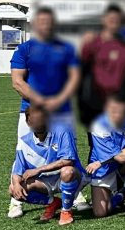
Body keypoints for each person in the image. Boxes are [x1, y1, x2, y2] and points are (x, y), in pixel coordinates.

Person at [10, 7, 80, 139]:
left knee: (65, 156)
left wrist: (57, 100)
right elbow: (17, 82)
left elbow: (75, 79)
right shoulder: (23, 49)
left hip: (62, 111)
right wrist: (41, 101)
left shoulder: (67, 49)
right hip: (32, 111)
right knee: (29, 155)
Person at [7, 105, 83, 224]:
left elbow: (68, 161)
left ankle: (66, 211)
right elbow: (17, 171)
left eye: (41, 119)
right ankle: (52, 202)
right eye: (33, 120)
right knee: (13, 189)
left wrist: (38, 170)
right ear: (28, 123)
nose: (37, 123)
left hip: (67, 177)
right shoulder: (24, 142)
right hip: (44, 183)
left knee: (67, 171)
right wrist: (16, 184)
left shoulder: (62, 132)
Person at [83, 94, 125, 219]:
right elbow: (120, 157)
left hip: (117, 163)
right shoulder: (99, 126)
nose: (118, 115)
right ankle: (122, 194)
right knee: (100, 212)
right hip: (105, 166)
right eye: (114, 111)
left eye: (122, 111)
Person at [78, 3, 125, 127]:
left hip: (119, 102)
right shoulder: (92, 42)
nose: (114, 22)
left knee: (118, 139)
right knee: (94, 140)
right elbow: (80, 69)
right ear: (103, 20)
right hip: (95, 100)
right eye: (111, 19)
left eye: (118, 20)